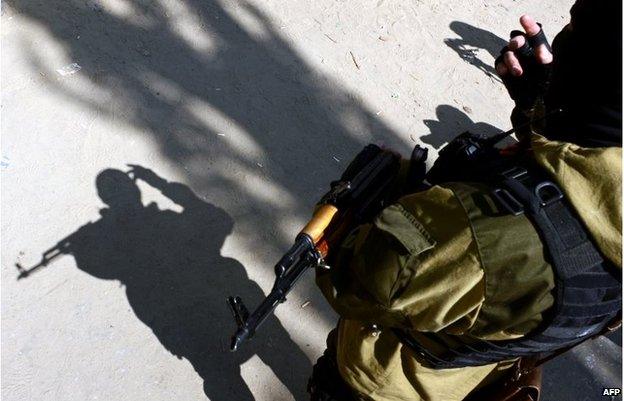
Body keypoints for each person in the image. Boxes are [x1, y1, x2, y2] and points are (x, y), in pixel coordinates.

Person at [309, 1, 622, 400]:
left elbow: (360, 280)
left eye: (576, 28)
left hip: (390, 380)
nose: (561, 37)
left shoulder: (482, 236)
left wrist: (376, 202)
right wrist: (546, 111)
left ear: (595, 71)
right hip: (479, 367)